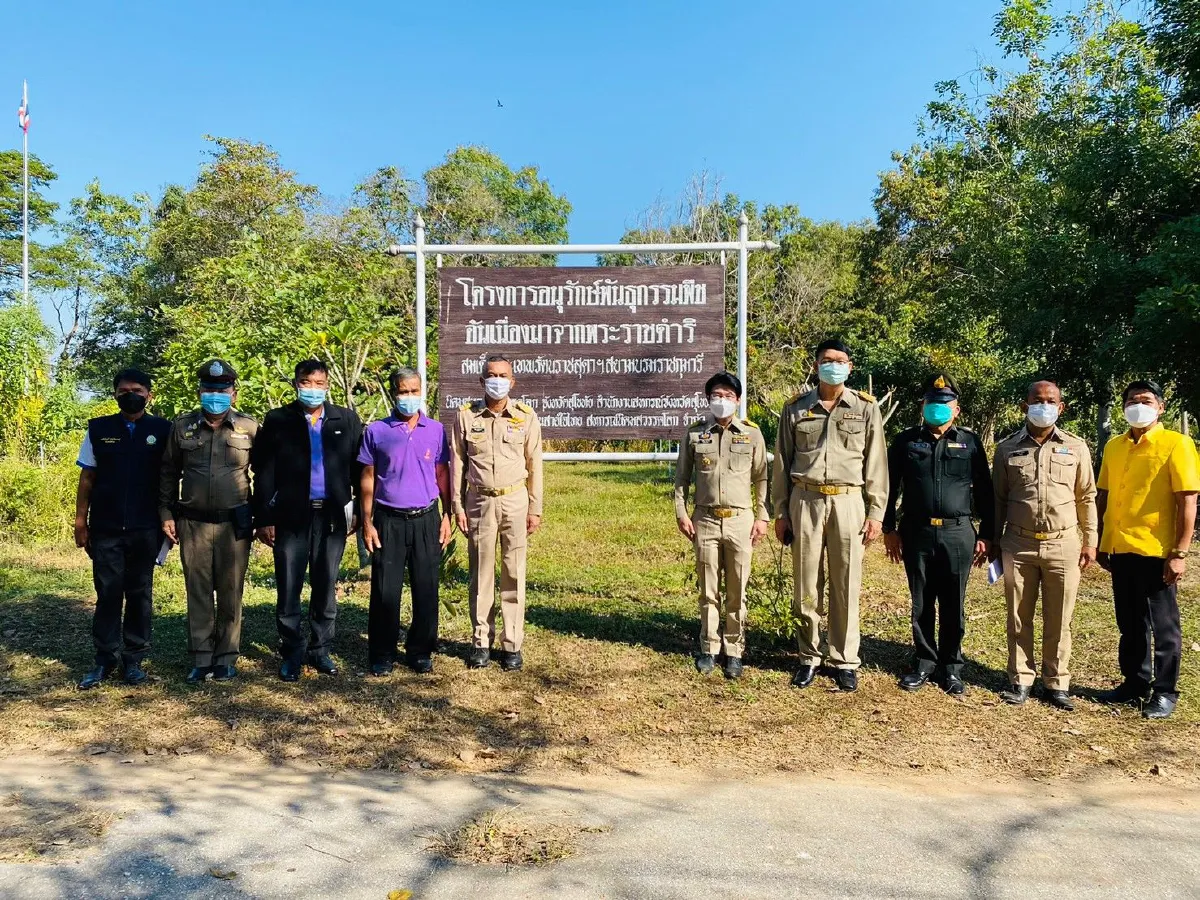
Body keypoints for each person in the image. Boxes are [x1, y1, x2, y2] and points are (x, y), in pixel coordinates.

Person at [771, 339, 888, 692]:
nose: (832, 366)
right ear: (815, 365)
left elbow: (876, 463)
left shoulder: (865, 408)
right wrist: (780, 511)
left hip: (848, 502)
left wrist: (877, 512)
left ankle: (843, 658)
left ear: (850, 367)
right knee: (807, 583)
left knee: (846, 582)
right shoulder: (795, 408)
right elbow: (781, 463)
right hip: (805, 501)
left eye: (839, 361)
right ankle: (809, 655)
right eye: (826, 360)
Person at [882, 373, 993, 696]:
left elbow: (985, 491)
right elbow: (889, 486)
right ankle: (924, 662)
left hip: (958, 532)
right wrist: (889, 528)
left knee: (953, 601)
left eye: (945, 404)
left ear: (956, 409)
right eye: (932, 403)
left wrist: (987, 534)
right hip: (916, 529)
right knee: (921, 600)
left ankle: (952, 667)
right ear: (923, 406)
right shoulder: (905, 441)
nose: (938, 408)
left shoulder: (970, 442)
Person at [253, 360, 364, 682]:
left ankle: (321, 650)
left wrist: (355, 510)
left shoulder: (346, 418)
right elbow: (264, 472)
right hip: (290, 515)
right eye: (306, 382)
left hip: (331, 515)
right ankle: (291, 651)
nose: (312, 388)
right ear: (296, 383)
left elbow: (360, 471)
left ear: (327, 384)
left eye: (318, 383)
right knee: (289, 585)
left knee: (326, 583)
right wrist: (265, 517)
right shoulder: (278, 420)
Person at [1095, 380, 1199, 719]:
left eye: (1146, 400)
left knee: (1163, 626)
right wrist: (1099, 539)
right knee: (1130, 622)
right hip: (1120, 547)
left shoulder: (1177, 444)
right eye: (1131, 400)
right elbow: (1104, 496)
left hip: (1157, 551)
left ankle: (1165, 691)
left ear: (1161, 407)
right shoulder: (1114, 446)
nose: (1138, 405)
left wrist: (1180, 553)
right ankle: (1134, 683)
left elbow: (1188, 501)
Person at [992, 380, 1097, 711]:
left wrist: (1090, 540)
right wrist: (994, 542)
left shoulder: (1076, 447)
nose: (1044, 405)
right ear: (1025, 406)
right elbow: (998, 500)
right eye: (1037, 400)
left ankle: (1057, 682)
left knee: (1059, 617)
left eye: (1051, 400)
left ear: (1060, 407)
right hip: (1017, 544)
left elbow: (1086, 496)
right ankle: (1021, 678)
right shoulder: (1007, 448)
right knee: (1019, 614)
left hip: (1063, 543)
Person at [159, 359, 259, 685]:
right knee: (198, 591)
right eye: (210, 389)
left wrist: (260, 515)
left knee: (231, 591)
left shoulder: (250, 428)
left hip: (235, 526)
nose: (216, 394)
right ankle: (201, 659)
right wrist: (165, 514)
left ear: (234, 392)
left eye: (222, 389)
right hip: (194, 525)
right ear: (201, 391)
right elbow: (168, 473)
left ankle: (226, 657)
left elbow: (267, 475)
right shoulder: (182, 427)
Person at [72, 368, 172, 689]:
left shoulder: (163, 430)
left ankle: (134, 659)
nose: (131, 394)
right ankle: (104, 659)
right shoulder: (99, 429)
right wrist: (80, 521)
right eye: (125, 389)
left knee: (140, 593)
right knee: (108, 593)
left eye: (138, 390)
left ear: (149, 395)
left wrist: (171, 519)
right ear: (115, 394)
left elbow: (171, 480)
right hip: (106, 527)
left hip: (146, 528)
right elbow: (87, 478)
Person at [450, 354, 544, 672]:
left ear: (512, 381)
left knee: (513, 572)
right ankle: (480, 642)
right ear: (481, 380)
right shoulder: (466, 416)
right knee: (481, 573)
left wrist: (536, 508)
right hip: (479, 502)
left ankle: (512, 644)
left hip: (515, 501)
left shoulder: (526, 416)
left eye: (503, 375)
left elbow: (535, 465)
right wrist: (457, 506)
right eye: (491, 374)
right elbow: (458, 465)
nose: (497, 379)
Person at [673, 372, 770, 679]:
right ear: (708, 400)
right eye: (716, 395)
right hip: (705, 520)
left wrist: (762, 516)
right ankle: (709, 647)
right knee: (708, 588)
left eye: (728, 396)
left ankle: (735, 650)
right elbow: (681, 480)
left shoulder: (752, 434)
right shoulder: (695, 434)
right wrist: (681, 513)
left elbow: (762, 478)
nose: (722, 401)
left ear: (738, 400)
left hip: (740, 521)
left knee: (737, 590)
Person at [358, 368, 452, 676]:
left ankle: (420, 650)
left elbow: (442, 475)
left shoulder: (436, 430)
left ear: (421, 392)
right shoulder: (376, 431)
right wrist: (367, 522)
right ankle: (382, 652)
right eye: (402, 391)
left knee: (426, 587)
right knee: (386, 589)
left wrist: (448, 515)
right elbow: (368, 477)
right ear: (392, 393)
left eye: (414, 391)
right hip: (388, 520)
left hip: (426, 517)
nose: (408, 397)